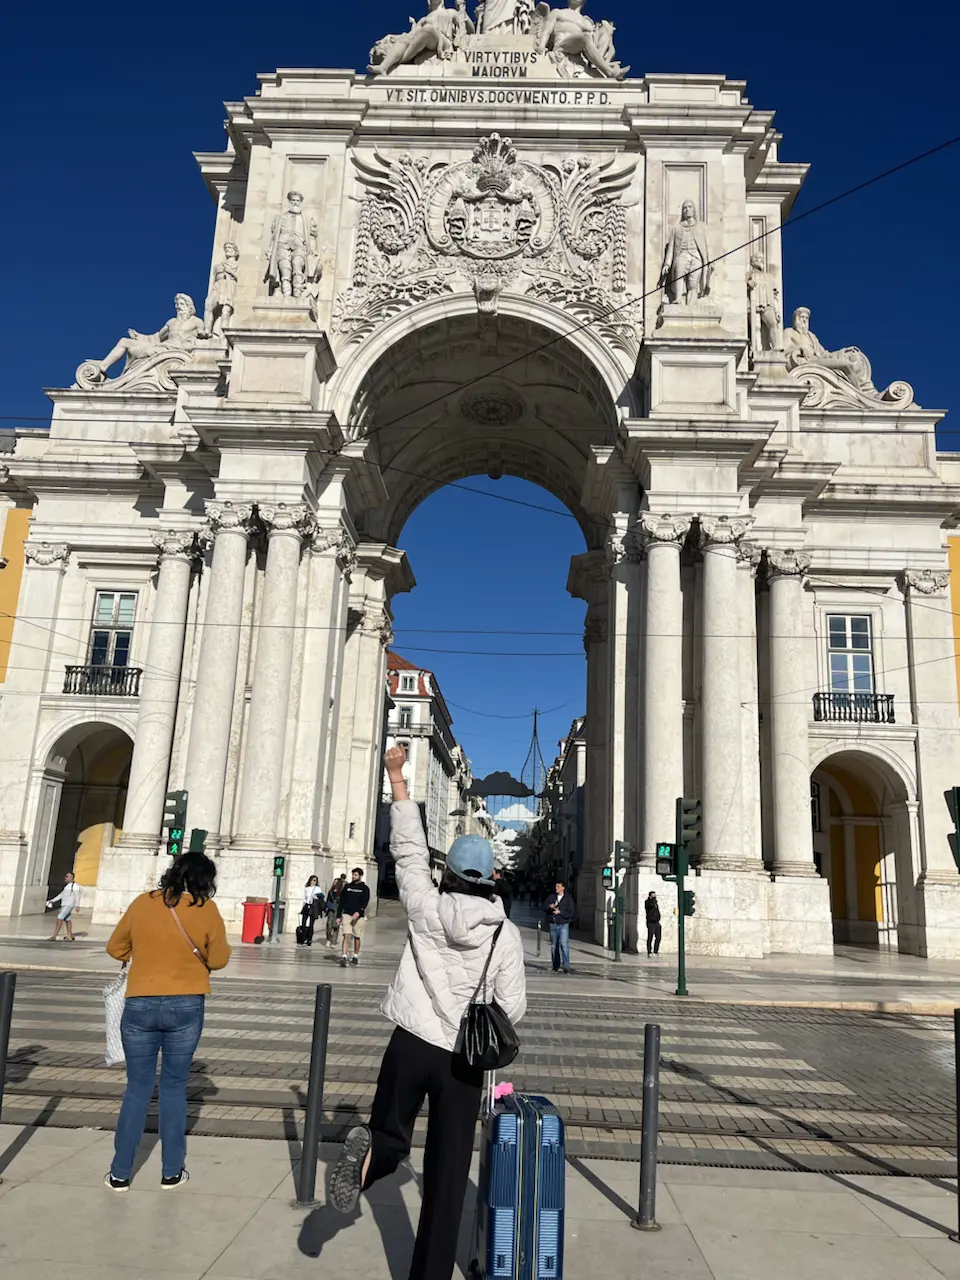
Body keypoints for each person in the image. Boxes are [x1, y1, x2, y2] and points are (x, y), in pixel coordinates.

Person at [328, 746, 527, 1280]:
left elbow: (410, 852)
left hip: (410, 1042)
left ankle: (370, 1162)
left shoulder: (423, 903)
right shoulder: (504, 935)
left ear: (451, 875)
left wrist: (397, 778)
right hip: (463, 1059)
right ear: (489, 878)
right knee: (445, 1173)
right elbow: (513, 1007)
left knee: (390, 1132)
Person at [102, 850, 231, 1192]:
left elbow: (115, 947)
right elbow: (218, 960)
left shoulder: (143, 903)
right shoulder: (207, 909)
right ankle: (171, 1171)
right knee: (174, 1088)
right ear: (205, 881)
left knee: (137, 1089)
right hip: (186, 1005)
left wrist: (144, 954)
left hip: (141, 1002)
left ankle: (119, 1174)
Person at [338, 867, 371, 967]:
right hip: (347, 914)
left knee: (357, 936)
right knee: (346, 935)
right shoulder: (347, 887)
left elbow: (365, 902)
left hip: (358, 916)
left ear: (360, 876)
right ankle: (344, 956)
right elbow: (342, 901)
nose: (353, 876)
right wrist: (338, 915)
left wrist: (359, 911)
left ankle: (355, 956)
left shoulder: (364, 888)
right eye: (353, 874)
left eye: (356, 875)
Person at [544, 879, 575, 973]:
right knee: (554, 946)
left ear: (563, 888)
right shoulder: (552, 897)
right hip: (553, 923)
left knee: (564, 945)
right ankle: (555, 965)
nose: (556, 888)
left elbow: (571, 912)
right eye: (556, 886)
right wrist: (549, 907)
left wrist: (560, 912)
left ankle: (566, 965)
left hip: (563, 924)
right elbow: (543, 907)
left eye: (558, 886)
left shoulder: (568, 898)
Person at [47, 871, 82, 941]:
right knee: (67, 920)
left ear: (71, 878)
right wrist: (52, 900)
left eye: (67, 876)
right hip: (64, 904)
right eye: (66, 876)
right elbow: (61, 895)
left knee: (60, 917)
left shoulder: (75, 886)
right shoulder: (67, 886)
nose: (65, 878)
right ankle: (69, 935)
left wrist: (77, 905)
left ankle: (54, 935)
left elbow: (77, 896)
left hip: (69, 905)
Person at [299, 875, 325, 947]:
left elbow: (320, 898)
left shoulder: (317, 889)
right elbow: (304, 898)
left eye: (315, 880)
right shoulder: (306, 888)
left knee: (311, 924)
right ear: (310, 880)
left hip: (314, 907)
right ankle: (303, 939)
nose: (314, 882)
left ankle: (309, 940)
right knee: (303, 923)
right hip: (307, 906)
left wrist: (316, 897)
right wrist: (302, 908)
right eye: (313, 880)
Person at [325, 875, 345, 948]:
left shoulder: (342, 893)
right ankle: (328, 940)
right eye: (334, 882)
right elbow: (327, 900)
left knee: (336, 926)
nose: (334, 884)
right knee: (329, 924)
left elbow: (343, 902)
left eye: (336, 883)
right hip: (331, 909)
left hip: (338, 910)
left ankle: (333, 942)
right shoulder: (330, 891)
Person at [645, 891, 662, 957]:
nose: (655, 897)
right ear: (650, 896)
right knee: (650, 937)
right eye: (653, 896)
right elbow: (650, 906)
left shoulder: (656, 903)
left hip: (656, 922)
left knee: (658, 937)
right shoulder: (647, 902)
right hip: (650, 922)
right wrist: (652, 900)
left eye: (655, 896)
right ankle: (649, 951)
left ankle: (656, 951)